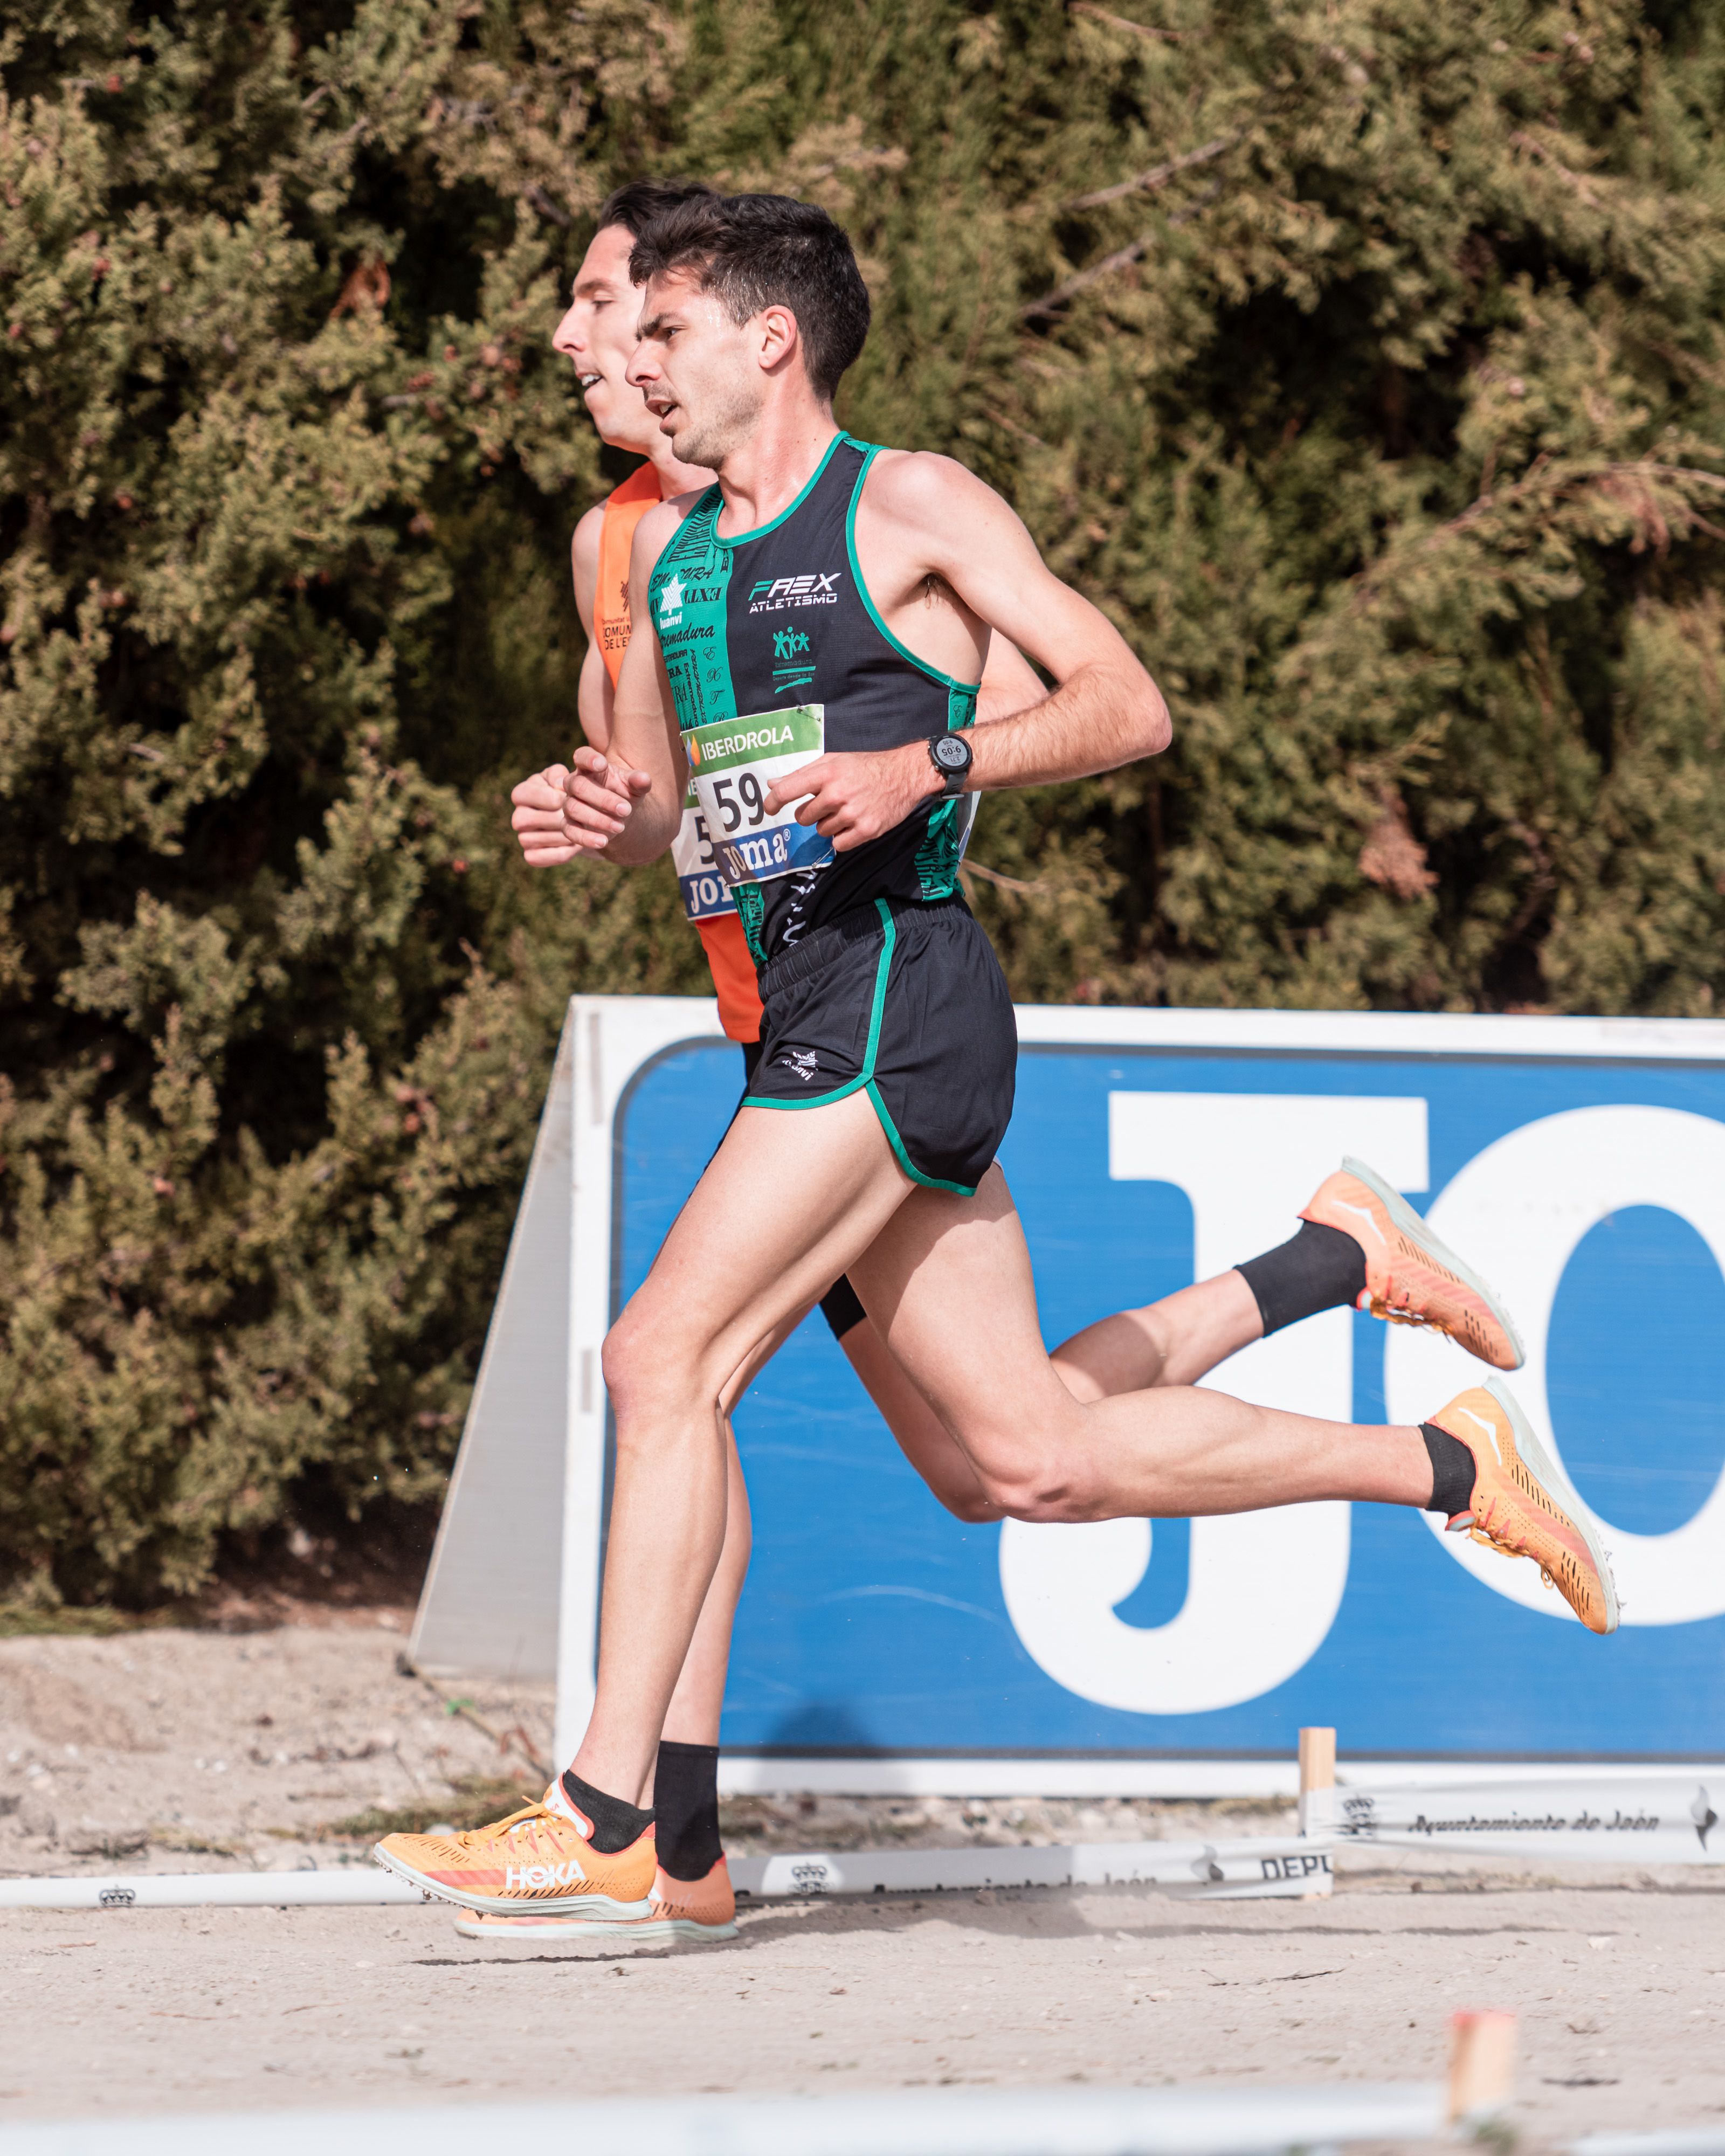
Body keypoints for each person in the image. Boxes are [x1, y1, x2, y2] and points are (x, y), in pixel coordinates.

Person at [377, 191, 1616, 1930]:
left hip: (900, 993)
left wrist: (930, 763)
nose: (626, 364)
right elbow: (669, 809)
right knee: (1014, 1464)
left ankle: (609, 1812)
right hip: (795, 1018)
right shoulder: (663, 553)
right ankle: (1443, 1451)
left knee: (662, 1360)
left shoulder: (909, 501)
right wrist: (604, 812)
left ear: (767, 340)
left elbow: (1127, 704)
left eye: (660, 332)